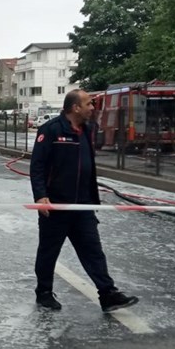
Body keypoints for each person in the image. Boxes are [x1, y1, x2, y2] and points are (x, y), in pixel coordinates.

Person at [30, 89, 139, 313]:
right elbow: (37, 165)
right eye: (88, 104)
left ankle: (108, 294)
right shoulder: (51, 130)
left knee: (93, 251)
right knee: (49, 252)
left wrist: (92, 198)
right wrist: (41, 196)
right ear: (75, 108)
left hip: (83, 205)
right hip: (56, 206)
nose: (92, 108)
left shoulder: (88, 130)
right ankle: (44, 293)